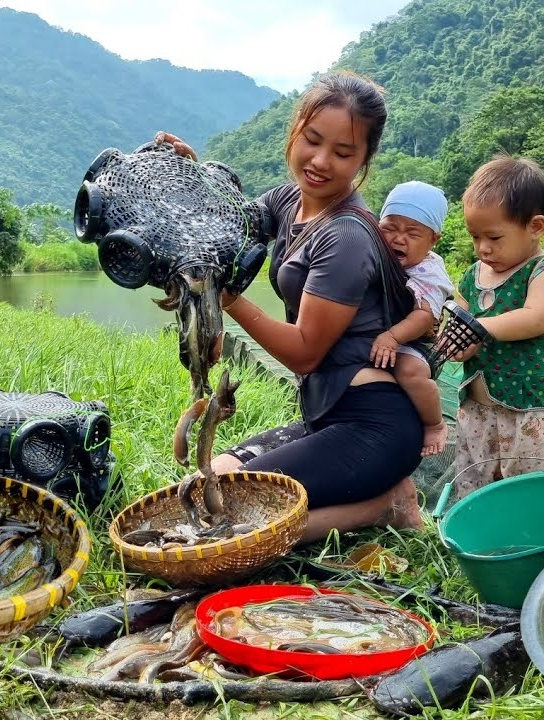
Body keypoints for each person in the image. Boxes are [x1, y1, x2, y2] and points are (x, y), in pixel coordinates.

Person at [154, 72, 425, 543]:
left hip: (374, 426)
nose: (321, 162)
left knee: (233, 521)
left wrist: (225, 298)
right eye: (312, 141)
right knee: (202, 486)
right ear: (295, 130)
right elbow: (228, 224)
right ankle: (374, 496)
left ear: (364, 160)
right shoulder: (289, 200)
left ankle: (385, 504)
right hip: (324, 416)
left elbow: (304, 354)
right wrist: (190, 176)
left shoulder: (346, 237)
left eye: (343, 153)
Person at [449, 155, 544, 502]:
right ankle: (483, 544)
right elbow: (461, 326)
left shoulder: (543, 270)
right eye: (474, 236)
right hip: (477, 408)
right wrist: (457, 343)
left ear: (535, 227)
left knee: (535, 490)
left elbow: (536, 318)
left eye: (493, 237)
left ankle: (540, 546)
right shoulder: (472, 276)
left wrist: (477, 327)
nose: (482, 248)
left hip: (528, 408)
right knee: (476, 484)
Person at [369, 181, 455, 457]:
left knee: (409, 371)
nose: (398, 239)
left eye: (412, 233)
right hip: (386, 335)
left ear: (433, 240)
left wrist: (393, 337)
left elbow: (424, 315)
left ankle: (435, 424)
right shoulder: (374, 254)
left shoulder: (429, 271)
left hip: (416, 343)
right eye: (390, 228)